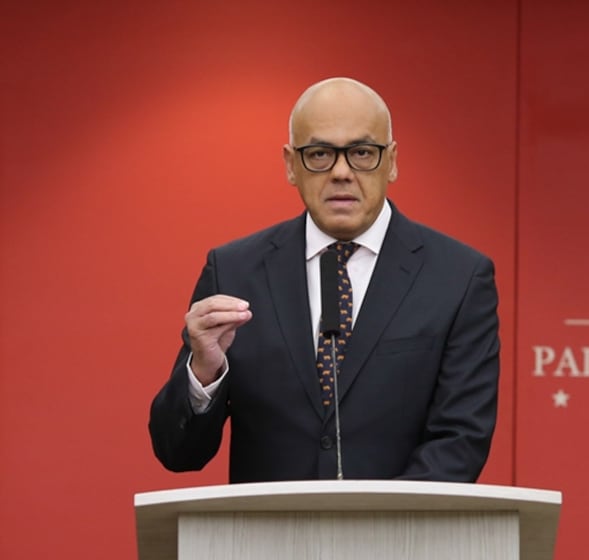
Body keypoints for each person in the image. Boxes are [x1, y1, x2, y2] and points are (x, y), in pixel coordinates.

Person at [149, 77, 499, 482]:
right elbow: (177, 452)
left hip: (399, 540)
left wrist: (376, 529)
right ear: (290, 165)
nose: (341, 172)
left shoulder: (458, 277)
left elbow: (460, 441)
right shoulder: (234, 271)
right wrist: (204, 373)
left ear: (393, 160)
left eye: (362, 152)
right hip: (267, 540)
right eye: (319, 153)